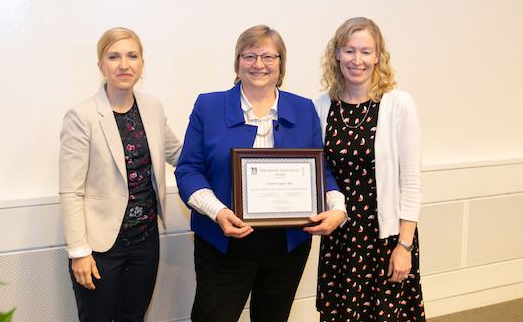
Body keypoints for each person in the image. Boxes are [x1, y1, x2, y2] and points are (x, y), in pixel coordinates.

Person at [175, 25, 347, 322]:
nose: (259, 64)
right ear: (237, 62)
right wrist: (217, 212)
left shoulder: (303, 109)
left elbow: (322, 173)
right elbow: (188, 170)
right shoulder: (209, 105)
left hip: (287, 246)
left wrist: (338, 209)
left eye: (269, 57)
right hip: (223, 241)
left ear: (281, 64)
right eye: (249, 56)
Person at [59, 27, 182, 322]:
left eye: (132, 56)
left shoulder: (152, 106)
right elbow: (70, 191)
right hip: (100, 247)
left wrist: (230, 166)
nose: (124, 64)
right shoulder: (82, 116)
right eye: (114, 57)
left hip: (145, 241)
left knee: (134, 317)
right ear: (101, 66)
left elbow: (179, 154)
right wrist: (78, 252)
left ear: (141, 64)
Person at [315, 17, 426, 322]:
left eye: (366, 51)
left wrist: (404, 245)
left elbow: (412, 183)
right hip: (340, 239)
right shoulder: (322, 106)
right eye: (349, 50)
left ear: (378, 56)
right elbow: (316, 173)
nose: (357, 60)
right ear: (336, 54)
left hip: (386, 237)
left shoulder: (398, 104)